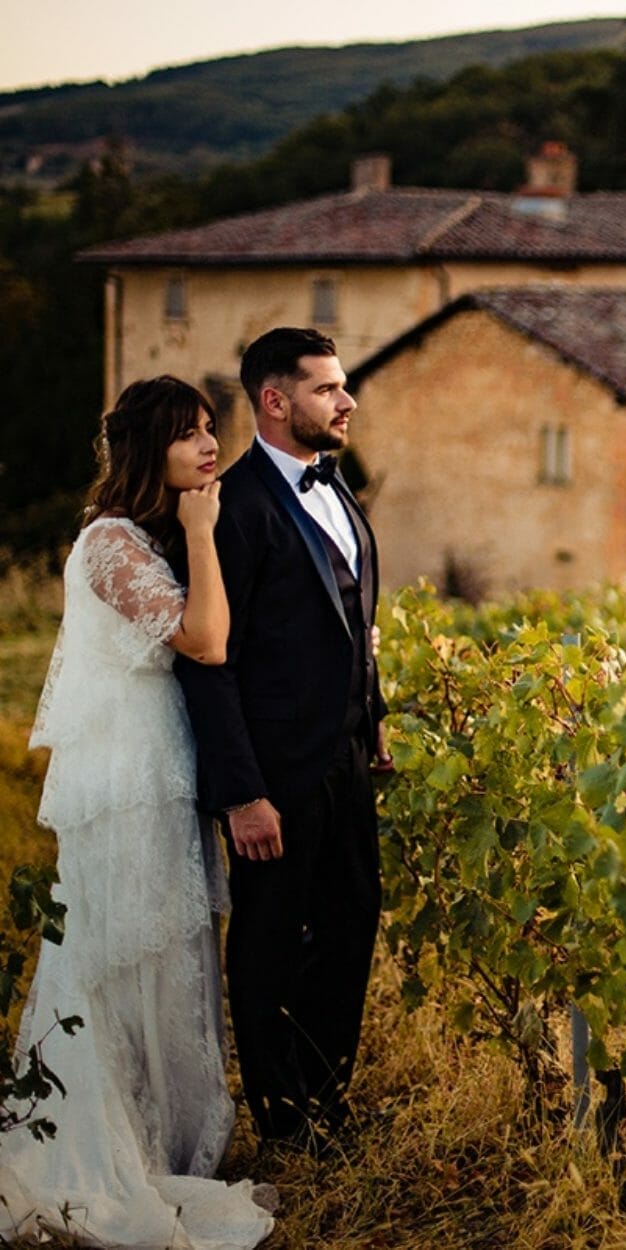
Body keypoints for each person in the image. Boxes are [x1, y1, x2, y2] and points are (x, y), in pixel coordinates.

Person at [0, 377, 274, 1247]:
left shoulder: (144, 538)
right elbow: (207, 639)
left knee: (168, 951)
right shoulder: (110, 541)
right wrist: (200, 535)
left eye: (208, 431)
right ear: (145, 446)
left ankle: (167, 1137)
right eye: (189, 434)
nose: (207, 447)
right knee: (119, 951)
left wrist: (194, 536)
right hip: (124, 782)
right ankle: (112, 1144)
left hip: (162, 772)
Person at [174, 327, 388, 1153]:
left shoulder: (338, 488)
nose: (346, 401)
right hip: (272, 776)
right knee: (269, 946)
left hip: (346, 759)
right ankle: (285, 1122)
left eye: (343, 387)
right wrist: (242, 793)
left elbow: (348, 623)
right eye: (328, 389)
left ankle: (327, 1099)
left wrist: (371, 721)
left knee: (350, 925)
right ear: (275, 400)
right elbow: (208, 665)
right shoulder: (235, 508)